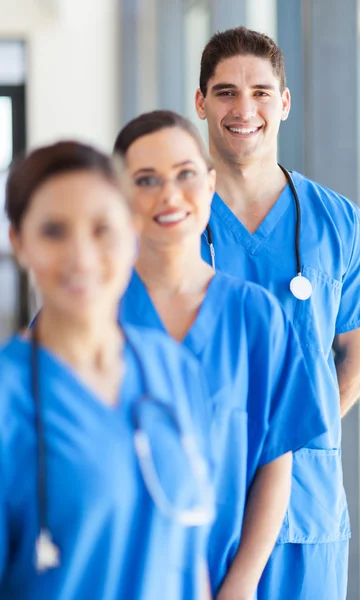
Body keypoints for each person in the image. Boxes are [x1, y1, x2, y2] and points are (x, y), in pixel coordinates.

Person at [194, 26, 360, 600]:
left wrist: (293, 431)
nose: (244, 108)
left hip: (307, 505)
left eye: (260, 91)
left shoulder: (340, 225)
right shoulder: (173, 220)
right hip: (204, 492)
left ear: (283, 101)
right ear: (201, 101)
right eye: (226, 91)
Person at [114, 110, 328, 600]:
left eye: (185, 174)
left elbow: (276, 461)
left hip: (220, 583)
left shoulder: (255, 317)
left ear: (209, 183)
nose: (169, 194)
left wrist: (241, 583)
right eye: (145, 180)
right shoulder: (89, 317)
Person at [0, 141, 215, 600]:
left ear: (133, 230)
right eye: (54, 231)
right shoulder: (9, 397)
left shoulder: (173, 370)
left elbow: (187, 553)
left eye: (103, 229)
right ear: (19, 243)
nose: (82, 255)